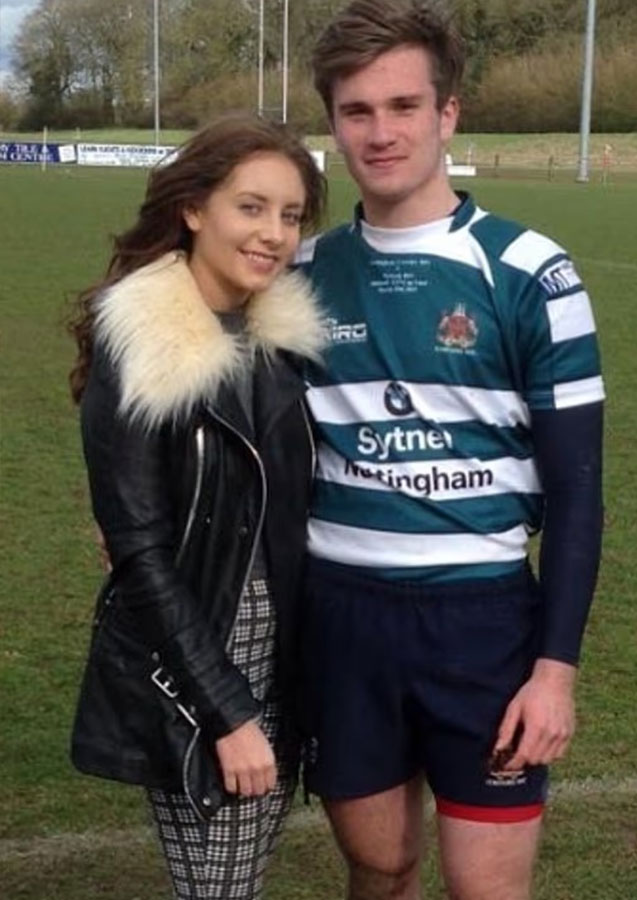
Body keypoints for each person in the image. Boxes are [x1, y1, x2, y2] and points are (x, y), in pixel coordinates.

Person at [297, 2, 605, 898]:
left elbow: (579, 495)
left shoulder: (532, 274)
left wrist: (555, 673)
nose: (381, 133)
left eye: (403, 106)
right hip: (343, 618)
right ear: (334, 122)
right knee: (381, 867)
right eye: (357, 111)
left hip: (483, 625)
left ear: (447, 114)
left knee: (486, 889)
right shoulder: (299, 276)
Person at [68, 114, 326, 900]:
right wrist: (228, 714)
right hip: (200, 676)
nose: (273, 234)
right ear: (192, 209)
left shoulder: (276, 340)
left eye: (289, 215)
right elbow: (141, 555)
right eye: (250, 207)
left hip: (284, 666)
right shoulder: (145, 343)